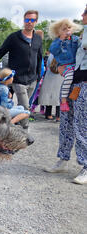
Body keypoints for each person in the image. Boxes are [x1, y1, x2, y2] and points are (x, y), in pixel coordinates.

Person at [45, 5, 87, 185]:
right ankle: (63, 159)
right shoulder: (80, 35)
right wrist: (60, 67)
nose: (82, 15)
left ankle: (85, 165)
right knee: (66, 122)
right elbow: (58, 58)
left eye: (85, 12)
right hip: (73, 83)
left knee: (82, 125)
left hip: (85, 83)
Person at [0, 10, 43, 129]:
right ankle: (25, 132)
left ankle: (11, 127)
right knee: (26, 107)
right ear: (24, 20)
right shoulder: (14, 37)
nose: (29, 22)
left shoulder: (37, 39)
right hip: (18, 79)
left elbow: (39, 57)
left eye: (32, 20)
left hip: (32, 79)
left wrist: (38, 75)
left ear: (36, 22)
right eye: (27, 20)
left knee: (23, 105)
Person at [49, 19, 82, 112]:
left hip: (75, 65)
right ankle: (63, 100)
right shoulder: (57, 41)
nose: (67, 31)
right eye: (64, 29)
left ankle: (72, 99)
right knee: (69, 78)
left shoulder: (75, 39)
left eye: (69, 28)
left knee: (77, 82)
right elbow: (53, 50)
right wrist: (60, 39)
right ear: (58, 32)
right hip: (65, 65)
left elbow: (81, 48)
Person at [38, 53, 64, 121]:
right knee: (59, 95)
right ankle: (58, 116)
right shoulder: (65, 52)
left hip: (50, 75)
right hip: (61, 75)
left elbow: (48, 64)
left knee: (49, 95)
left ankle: (48, 114)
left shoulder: (51, 54)